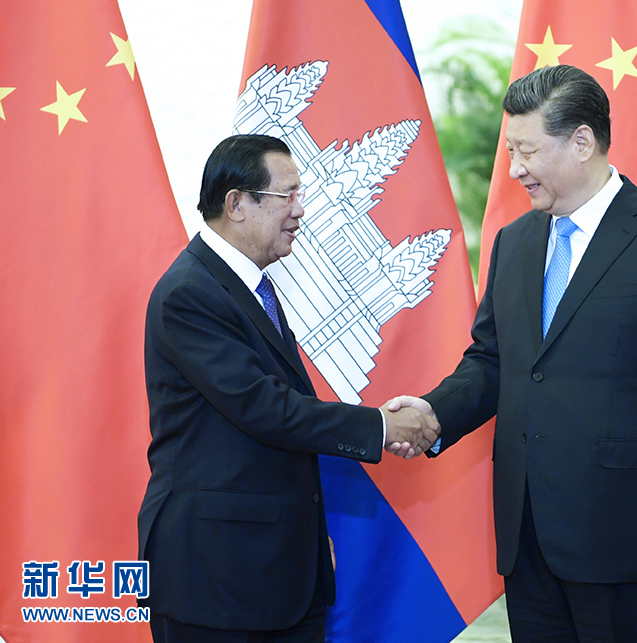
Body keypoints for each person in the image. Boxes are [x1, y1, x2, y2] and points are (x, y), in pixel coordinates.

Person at [389, 65, 637, 642]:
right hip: (529, 540)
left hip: (633, 539)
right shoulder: (515, 242)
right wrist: (433, 413)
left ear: (581, 142)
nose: (514, 169)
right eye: (510, 151)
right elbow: (494, 361)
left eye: (526, 150)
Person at [137, 134, 439, 643]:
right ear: (237, 204)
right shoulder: (190, 293)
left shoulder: (250, 284)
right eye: (287, 195)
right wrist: (381, 427)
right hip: (215, 575)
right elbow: (267, 409)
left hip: (276, 569)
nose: (300, 210)